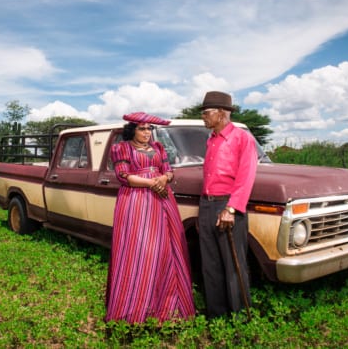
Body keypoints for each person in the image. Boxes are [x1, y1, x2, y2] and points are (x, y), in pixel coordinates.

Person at [105, 112, 195, 324]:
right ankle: (136, 307)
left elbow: (169, 171)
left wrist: (163, 178)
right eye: (142, 128)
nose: (147, 132)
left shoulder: (159, 148)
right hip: (136, 201)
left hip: (163, 201)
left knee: (167, 247)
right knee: (141, 248)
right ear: (132, 130)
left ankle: (169, 304)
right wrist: (153, 183)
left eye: (149, 129)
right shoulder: (122, 148)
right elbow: (123, 176)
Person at [198, 91, 258, 318]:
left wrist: (231, 208)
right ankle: (217, 315)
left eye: (206, 113)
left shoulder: (243, 138)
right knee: (210, 263)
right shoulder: (211, 139)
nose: (203, 117)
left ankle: (240, 315)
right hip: (207, 205)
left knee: (233, 264)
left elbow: (246, 176)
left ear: (222, 114)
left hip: (228, 206)